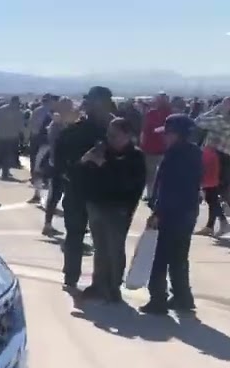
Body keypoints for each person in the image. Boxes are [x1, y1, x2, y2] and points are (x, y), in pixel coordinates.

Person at [79, 117, 145, 302]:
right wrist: (86, 161)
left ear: (127, 135)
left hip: (118, 208)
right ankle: (98, 284)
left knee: (114, 249)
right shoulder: (102, 151)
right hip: (96, 204)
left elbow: (127, 183)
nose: (110, 138)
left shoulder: (135, 156)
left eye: (114, 135)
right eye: (108, 134)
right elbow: (84, 173)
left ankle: (113, 286)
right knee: (100, 247)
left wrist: (104, 165)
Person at [143, 114, 204, 315]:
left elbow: (169, 189)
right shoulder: (195, 152)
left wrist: (157, 212)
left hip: (171, 213)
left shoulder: (174, 156)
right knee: (179, 257)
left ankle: (157, 299)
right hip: (188, 211)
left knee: (160, 258)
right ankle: (182, 297)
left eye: (168, 133)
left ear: (177, 134)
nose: (164, 137)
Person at [55, 87, 114, 288]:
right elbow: (59, 164)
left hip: (97, 193)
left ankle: (91, 279)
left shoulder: (114, 132)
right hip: (85, 192)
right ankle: (78, 277)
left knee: (95, 239)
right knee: (83, 237)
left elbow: (59, 166)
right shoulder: (77, 132)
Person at [140, 93, 171, 200]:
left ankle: (151, 195)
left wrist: (142, 144)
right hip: (158, 149)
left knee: (152, 175)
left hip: (155, 149)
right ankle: (154, 195)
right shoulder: (169, 114)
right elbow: (145, 130)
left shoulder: (152, 113)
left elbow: (144, 131)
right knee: (158, 174)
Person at [197, 142, 228, 236]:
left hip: (219, 170)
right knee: (212, 198)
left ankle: (221, 223)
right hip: (218, 168)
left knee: (212, 198)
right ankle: (211, 226)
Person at [0, 96, 24, 180]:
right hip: (10, 136)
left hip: (4, 136)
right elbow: (20, 125)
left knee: (4, 154)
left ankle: (4, 170)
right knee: (6, 154)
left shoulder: (2, 109)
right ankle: (4, 172)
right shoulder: (17, 112)